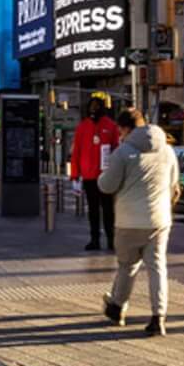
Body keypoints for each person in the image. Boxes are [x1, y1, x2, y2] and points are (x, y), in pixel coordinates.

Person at [98, 105, 179, 337]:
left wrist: (104, 174)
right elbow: (174, 184)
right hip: (159, 219)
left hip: (128, 221)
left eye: (120, 131)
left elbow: (107, 185)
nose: (120, 136)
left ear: (125, 128)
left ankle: (116, 308)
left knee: (127, 266)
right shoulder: (167, 150)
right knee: (157, 267)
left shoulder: (122, 153)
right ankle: (158, 318)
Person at [70, 93, 121, 253]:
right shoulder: (82, 127)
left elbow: (116, 149)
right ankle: (94, 239)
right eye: (91, 107)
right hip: (89, 176)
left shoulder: (111, 126)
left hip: (105, 175)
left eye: (96, 106)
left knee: (108, 210)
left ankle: (111, 239)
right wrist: (75, 174)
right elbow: (76, 152)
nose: (94, 109)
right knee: (92, 210)